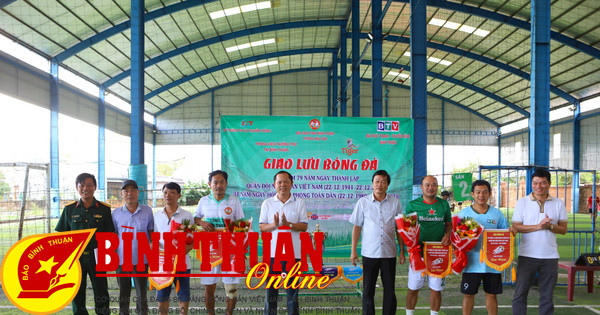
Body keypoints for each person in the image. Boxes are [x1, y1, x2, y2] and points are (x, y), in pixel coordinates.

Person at [55, 173, 114, 315]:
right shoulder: (69, 209)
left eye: (89, 185)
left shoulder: (104, 209)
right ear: (77, 187)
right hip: (75, 259)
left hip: (97, 257)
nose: (85, 188)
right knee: (77, 292)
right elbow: (61, 235)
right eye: (81, 185)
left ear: (95, 187)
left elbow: (110, 234)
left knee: (101, 291)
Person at [511, 169, 567, 315]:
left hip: (550, 257)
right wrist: (538, 226)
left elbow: (563, 229)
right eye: (535, 183)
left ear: (549, 183)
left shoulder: (558, 203)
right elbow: (516, 226)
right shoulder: (522, 202)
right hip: (527, 256)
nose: (538, 186)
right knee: (520, 294)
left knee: (547, 296)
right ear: (531, 184)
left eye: (543, 183)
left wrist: (550, 226)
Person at [350, 170, 405, 315]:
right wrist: (353, 250)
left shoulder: (395, 203)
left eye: (383, 182)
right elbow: (356, 227)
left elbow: (399, 229)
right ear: (372, 184)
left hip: (389, 253)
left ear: (388, 185)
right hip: (369, 253)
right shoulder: (363, 202)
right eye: (377, 181)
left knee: (389, 289)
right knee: (368, 290)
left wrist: (402, 251)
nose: (379, 185)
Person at [458, 180, 516, 315]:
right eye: (478, 192)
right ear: (472, 194)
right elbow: (458, 238)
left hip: (493, 263)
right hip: (471, 263)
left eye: (485, 192)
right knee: (468, 294)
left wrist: (511, 232)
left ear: (490, 194)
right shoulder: (464, 214)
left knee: (491, 295)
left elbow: (505, 235)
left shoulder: (497, 214)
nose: (481, 195)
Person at [194, 170, 245, 315]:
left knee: (231, 287)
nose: (218, 185)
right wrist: (202, 223)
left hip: (230, 248)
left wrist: (233, 230)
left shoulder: (234, 201)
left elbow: (242, 223)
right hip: (210, 250)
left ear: (226, 184)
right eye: (215, 182)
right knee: (209, 287)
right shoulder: (203, 201)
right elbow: (196, 218)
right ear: (210, 184)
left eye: (222, 182)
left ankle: (229, 313)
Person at [259, 171, 308, 315]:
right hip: (273, 254)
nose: (283, 185)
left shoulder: (299, 202)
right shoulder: (267, 203)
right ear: (274, 185)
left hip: (294, 254)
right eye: (279, 182)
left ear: (292, 184)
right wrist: (274, 225)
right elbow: (262, 227)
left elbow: (304, 226)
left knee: (292, 293)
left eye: (286, 182)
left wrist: (289, 224)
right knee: (271, 292)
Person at [405, 175, 452, 315]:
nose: (431, 188)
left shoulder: (443, 204)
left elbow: (449, 224)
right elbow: (407, 228)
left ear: (437, 186)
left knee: (436, 289)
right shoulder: (412, 205)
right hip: (418, 253)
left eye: (434, 184)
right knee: (413, 288)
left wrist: (447, 235)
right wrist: (408, 246)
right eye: (427, 185)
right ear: (421, 187)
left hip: (438, 253)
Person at [112, 179, 154, 315]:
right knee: (124, 293)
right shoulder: (116, 213)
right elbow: (113, 236)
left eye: (132, 190)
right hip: (122, 260)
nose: (129, 194)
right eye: (126, 191)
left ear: (138, 193)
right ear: (122, 194)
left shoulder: (147, 211)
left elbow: (151, 233)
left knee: (142, 293)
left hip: (142, 259)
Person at [154, 182, 194, 315]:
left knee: (183, 295)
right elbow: (154, 240)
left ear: (179, 195)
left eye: (172, 192)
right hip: (162, 264)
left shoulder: (187, 216)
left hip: (182, 263)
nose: (168, 195)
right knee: (162, 296)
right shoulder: (156, 215)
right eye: (165, 192)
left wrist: (177, 254)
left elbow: (191, 242)